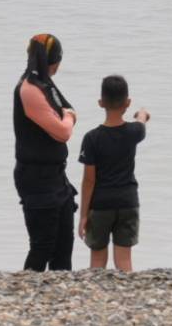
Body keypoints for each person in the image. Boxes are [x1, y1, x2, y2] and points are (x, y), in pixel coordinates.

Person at [14, 34, 78, 272]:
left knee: (63, 244)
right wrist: (70, 116)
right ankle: (28, 291)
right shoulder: (30, 89)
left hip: (56, 176)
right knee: (42, 245)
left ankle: (58, 295)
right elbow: (62, 132)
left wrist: (67, 117)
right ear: (56, 60)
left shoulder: (43, 83)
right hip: (36, 178)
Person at [78, 75, 149, 272]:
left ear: (101, 103)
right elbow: (141, 121)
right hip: (127, 201)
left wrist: (83, 215)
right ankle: (127, 296)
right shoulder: (134, 132)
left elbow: (89, 181)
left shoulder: (91, 139)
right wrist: (142, 113)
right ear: (128, 102)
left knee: (98, 260)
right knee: (124, 261)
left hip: (101, 205)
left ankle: (96, 297)